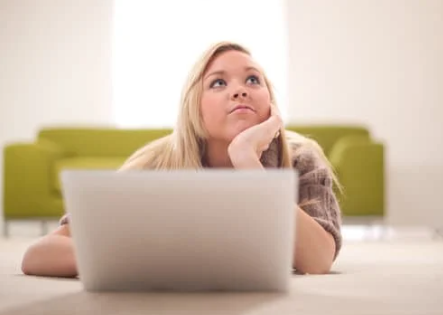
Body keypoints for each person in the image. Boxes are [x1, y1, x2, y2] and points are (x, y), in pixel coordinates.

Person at [21, 41, 342, 278]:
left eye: (253, 80)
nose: (240, 90)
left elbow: (318, 261)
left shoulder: (301, 158)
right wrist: (133, 258)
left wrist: (247, 161)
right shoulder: (157, 164)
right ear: (194, 106)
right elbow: (37, 256)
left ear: (270, 103)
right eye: (218, 82)